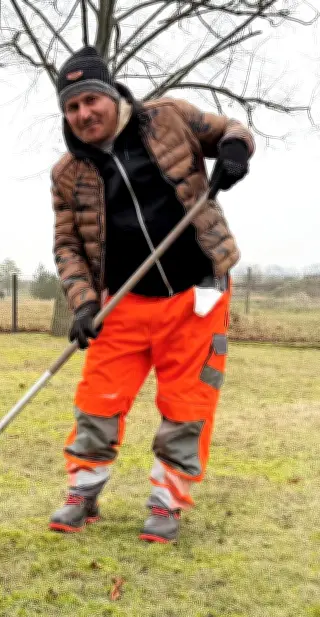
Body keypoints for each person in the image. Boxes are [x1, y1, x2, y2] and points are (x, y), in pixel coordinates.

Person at [47, 46, 254, 543]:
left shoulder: (169, 118)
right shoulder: (66, 173)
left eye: (89, 100)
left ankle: (168, 501)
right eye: (71, 108)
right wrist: (84, 304)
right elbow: (68, 245)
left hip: (195, 294)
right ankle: (82, 492)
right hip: (123, 301)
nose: (83, 114)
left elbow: (233, 130)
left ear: (111, 94)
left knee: (187, 404)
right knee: (97, 401)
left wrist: (234, 153)